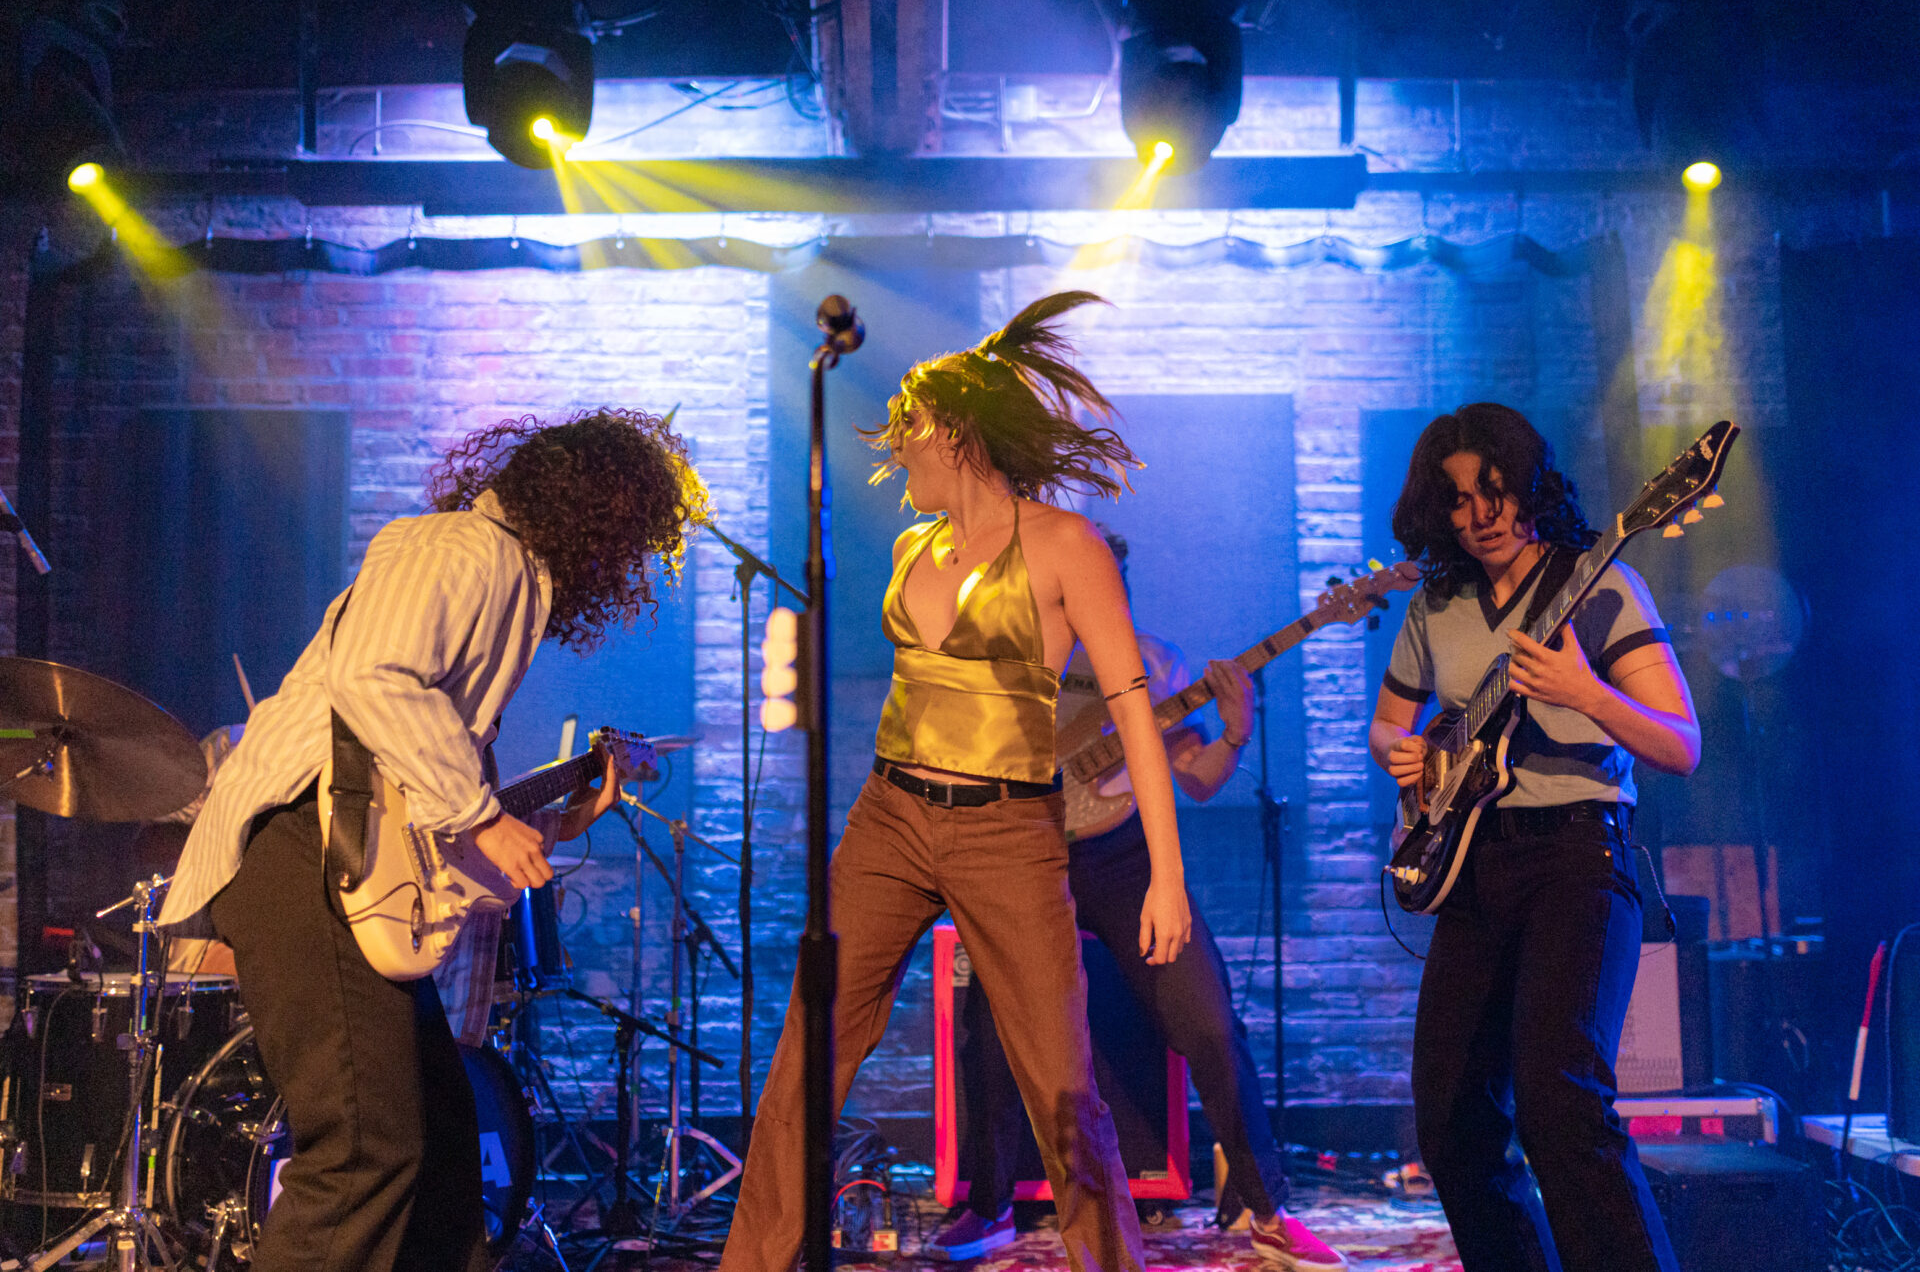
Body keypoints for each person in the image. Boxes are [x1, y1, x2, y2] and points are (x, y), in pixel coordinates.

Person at [158, 408, 708, 1272]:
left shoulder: (506, 580)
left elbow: (426, 798)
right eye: (633, 539)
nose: (629, 564)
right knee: (363, 1152)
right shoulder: (457, 546)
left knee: (445, 1152)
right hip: (304, 852)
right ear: (596, 513)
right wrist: (481, 816)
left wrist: (567, 815)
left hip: (342, 866)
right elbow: (373, 676)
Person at [720, 293, 1189, 1272]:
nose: (898, 456)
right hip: (889, 816)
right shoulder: (911, 547)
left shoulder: (1065, 545)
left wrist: (1167, 876)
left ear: (956, 432)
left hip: (1005, 829)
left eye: (910, 434)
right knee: (809, 1051)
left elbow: (1134, 712)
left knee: (1061, 1087)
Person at [929, 527, 1346, 1271]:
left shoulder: (1153, 662)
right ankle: (989, 1207)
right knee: (989, 1028)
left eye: (1110, 580)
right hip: (1030, 863)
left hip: (1126, 860)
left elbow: (1198, 780)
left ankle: (1270, 1212)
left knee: (1209, 1022)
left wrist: (1236, 733)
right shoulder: (1007, 659)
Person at [1368, 402, 1699, 1272]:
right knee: (1449, 1120)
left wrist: (1586, 692)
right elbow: (1388, 725)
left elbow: (1681, 744)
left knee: (1559, 1102)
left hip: (1579, 859)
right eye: (1457, 499)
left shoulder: (1600, 585)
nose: (1479, 514)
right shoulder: (1436, 605)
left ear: (1530, 486)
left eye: (1495, 489)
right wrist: (1407, 755)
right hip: (1474, 867)